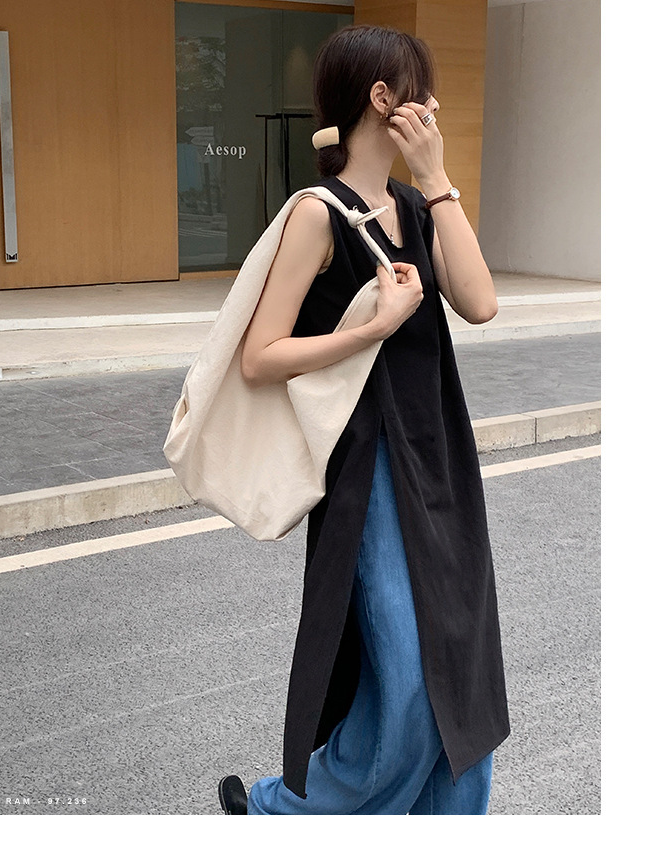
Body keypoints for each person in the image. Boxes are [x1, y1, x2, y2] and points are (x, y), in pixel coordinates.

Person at [218, 23, 510, 815]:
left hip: (439, 449)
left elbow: (480, 303)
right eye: (422, 88)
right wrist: (370, 328)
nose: (434, 104)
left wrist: (437, 178)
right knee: (409, 673)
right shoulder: (318, 215)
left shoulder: (417, 204)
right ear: (384, 98)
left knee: (460, 660)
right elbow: (259, 356)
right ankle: (280, 810)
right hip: (368, 463)